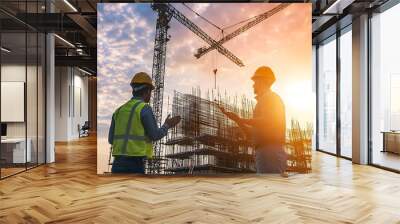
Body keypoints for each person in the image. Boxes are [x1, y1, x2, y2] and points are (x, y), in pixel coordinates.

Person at [218, 66, 287, 175]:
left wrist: (242, 119)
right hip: (263, 152)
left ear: (266, 81)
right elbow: (252, 135)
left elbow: (269, 120)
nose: (253, 84)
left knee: (271, 186)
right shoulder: (261, 102)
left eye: (256, 80)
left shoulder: (272, 97)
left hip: (270, 150)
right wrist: (237, 120)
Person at [108, 72, 181, 174]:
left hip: (117, 164)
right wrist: (167, 125)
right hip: (135, 164)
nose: (150, 95)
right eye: (150, 92)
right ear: (147, 91)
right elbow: (155, 135)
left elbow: (111, 140)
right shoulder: (144, 108)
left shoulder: (119, 111)